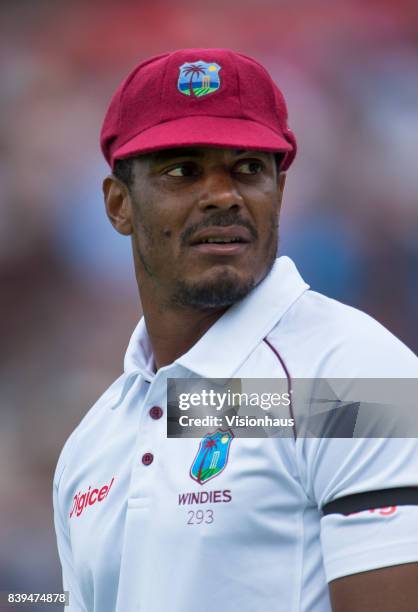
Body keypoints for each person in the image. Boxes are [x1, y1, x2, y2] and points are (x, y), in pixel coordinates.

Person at [53, 48, 418, 612]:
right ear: (118, 204)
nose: (224, 195)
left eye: (249, 168)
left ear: (280, 190)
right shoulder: (94, 442)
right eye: (183, 170)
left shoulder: (355, 378)